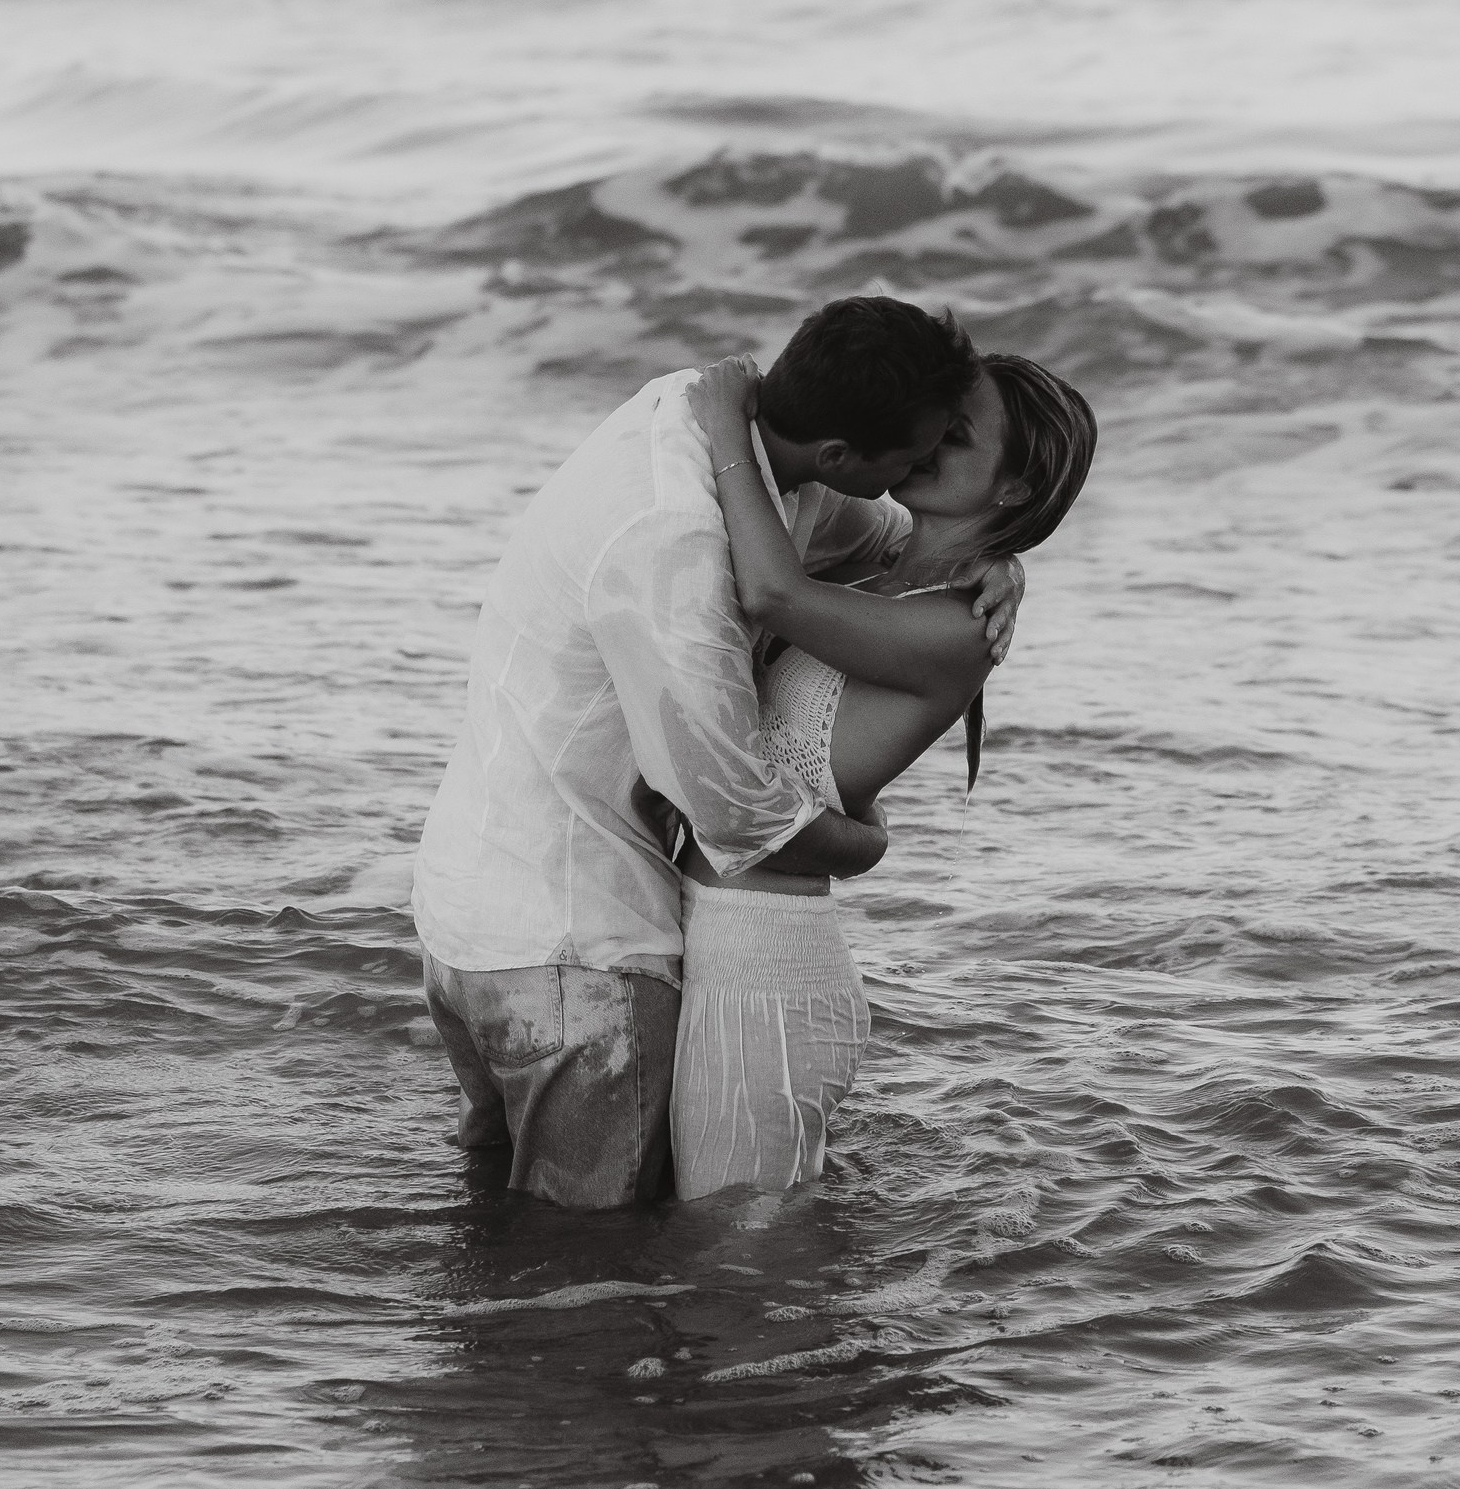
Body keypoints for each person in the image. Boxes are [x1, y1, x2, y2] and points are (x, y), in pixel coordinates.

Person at [413, 297, 1026, 1208]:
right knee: (585, 1277)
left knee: (504, 1234)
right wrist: (867, 843)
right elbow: (734, 810)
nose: (920, 471)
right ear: (841, 456)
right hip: (575, 954)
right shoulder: (677, 542)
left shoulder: (713, 425)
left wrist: (997, 558)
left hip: (474, 910)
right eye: (917, 452)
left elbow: (880, 554)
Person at [670, 345, 1097, 1199]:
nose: (929, 433)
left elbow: (772, 597)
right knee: (716, 1253)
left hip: (764, 962)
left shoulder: (956, 631)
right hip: (712, 924)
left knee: (741, 1266)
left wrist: (723, 433)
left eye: (959, 433)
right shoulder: (879, 573)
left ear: (1012, 488)